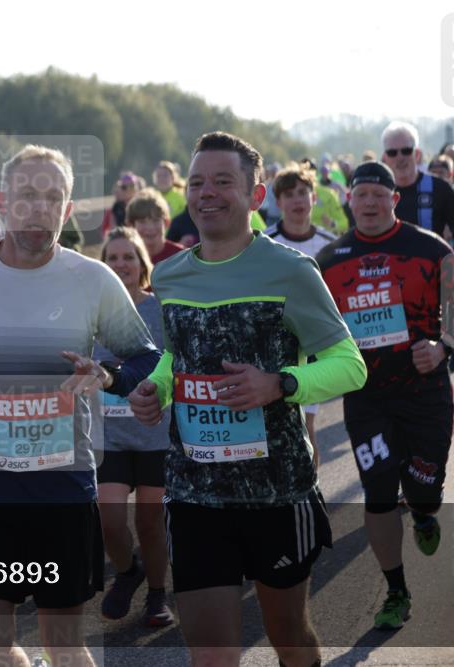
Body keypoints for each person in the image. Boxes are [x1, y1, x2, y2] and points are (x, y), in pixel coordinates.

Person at [0, 144, 160, 667]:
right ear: (3, 201)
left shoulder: (92, 280)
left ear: (68, 210)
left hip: (62, 489)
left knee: (64, 647)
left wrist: (109, 375)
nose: (38, 207)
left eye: (52, 197)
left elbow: (144, 356)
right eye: (26, 195)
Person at [129, 131, 367, 667]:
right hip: (195, 492)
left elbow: (350, 365)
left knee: (291, 640)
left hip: (276, 492)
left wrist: (280, 383)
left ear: (256, 196)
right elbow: (177, 357)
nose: (205, 193)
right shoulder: (169, 275)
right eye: (196, 183)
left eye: (222, 182)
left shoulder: (290, 271)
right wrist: (156, 388)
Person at [316, 161, 454, 631]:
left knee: (423, 493)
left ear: (395, 201)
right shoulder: (330, 261)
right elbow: (313, 328)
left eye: (378, 194)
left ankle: (425, 511)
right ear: (349, 201)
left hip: (425, 394)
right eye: (361, 194)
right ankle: (396, 590)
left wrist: (444, 345)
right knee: (377, 493)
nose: (369, 202)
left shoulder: (427, 248)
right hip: (366, 398)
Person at [95, 227, 174, 627]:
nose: (121, 264)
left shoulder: (160, 309)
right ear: (103, 265)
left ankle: (158, 595)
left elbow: (175, 361)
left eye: (128, 256)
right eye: (113, 258)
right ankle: (129, 572)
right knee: (109, 520)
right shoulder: (92, 310)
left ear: (142, 264)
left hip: (155, 434)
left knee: (149, 520)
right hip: (110, 436)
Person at [264, 165, 338, 462]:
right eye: (289, 195)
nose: (297, 200)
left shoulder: (330, 244)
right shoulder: (263, 244)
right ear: (278, 202)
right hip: (272, 348)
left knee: (306, 427)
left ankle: (311, 493)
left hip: (314, 349)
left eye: (303, 193)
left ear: (314, 198)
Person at [380, 122, 454, 252]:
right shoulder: (378, 194)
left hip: (434, 269)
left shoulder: (440, 188)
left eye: (406, 151)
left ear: (416, 154)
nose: (400, 158)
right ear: (384, 158)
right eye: (392, 152)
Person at [125, 188, 185, 264]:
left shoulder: (181, 257)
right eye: (142, 221)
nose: (150, 227)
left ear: (166, 223)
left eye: (156, 220)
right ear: (131, 225)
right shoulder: (125, 258)